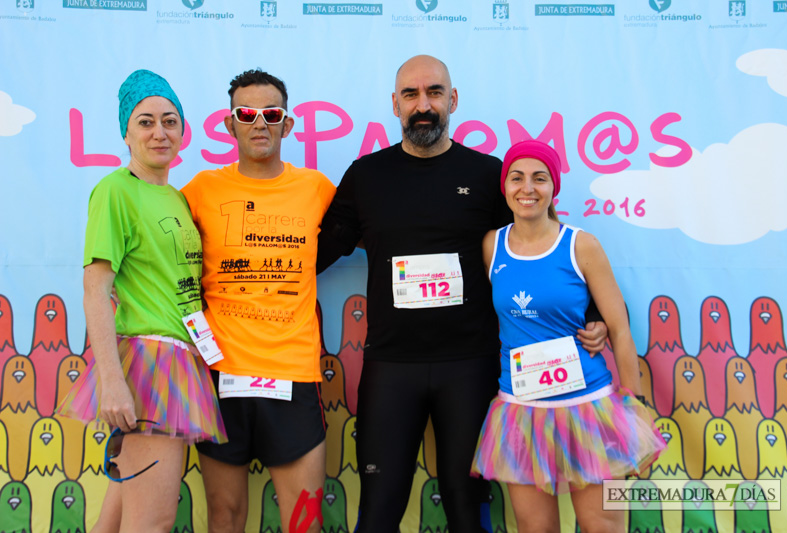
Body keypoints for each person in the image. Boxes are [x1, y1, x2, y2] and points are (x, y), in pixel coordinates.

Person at [316, 55, 608, 532]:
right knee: (378, 511)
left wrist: (593, 314)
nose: (423, 105)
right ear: (395, 105)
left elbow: (540, 249)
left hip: (469, 368)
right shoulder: (367, 176)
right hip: (392, 366)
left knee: (467, 511)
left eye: (434, 93)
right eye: (411, 95)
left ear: (453, 100)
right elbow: (319, 251)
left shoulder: (488, 175)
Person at [56, 69, 227, 533]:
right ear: (125, 133)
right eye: (146, 121)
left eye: (170, 121)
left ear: (183, 130)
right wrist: (112, 381)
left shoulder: (175, 197)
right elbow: (96, 287)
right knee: (152, 521)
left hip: (181, 358)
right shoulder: (115, 191)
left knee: (115, 520)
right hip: (151, 366)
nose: (159, 132)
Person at [470, 140, 666, 533]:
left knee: (604, 527)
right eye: (517, 178)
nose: (528, 188)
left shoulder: (581, 245)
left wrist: (634, 403)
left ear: (553, 187)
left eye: (539, 178)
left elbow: (620, 329)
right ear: (505, 187)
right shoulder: (492, 246)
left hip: (590, 409)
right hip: (521, 413)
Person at [181, 69, 335, 533]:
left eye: (271, 113)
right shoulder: (201, 190)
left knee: (303, 521)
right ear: (230, 124)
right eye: (246, 113)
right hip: (221, 374)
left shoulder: (316, 189)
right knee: (224, 518)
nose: (259, 123)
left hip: (292, 374)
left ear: (287, 125)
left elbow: (384, 230)